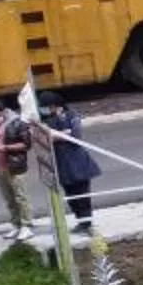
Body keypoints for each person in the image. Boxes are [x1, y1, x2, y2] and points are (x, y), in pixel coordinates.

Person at [41, 98, 99, 235]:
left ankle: (87, 223)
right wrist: (64, 133)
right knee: (71, 196)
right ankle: (81, 221)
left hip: (78, 162)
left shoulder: (72, 116)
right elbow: (46, 137)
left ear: (56, 105)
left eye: (49, 106)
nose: (47, 110)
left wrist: (58, 134)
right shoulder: (47, 120)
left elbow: (75, 135)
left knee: (83, 195)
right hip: (61, 164)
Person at [0, 100, 34, 238]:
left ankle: (27, 225)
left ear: (1, 110)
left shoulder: (17, 123)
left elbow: (26, 144)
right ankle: (16, 224)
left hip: (15, 165)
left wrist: (6, 148)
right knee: (9, 198)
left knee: (20, 196)